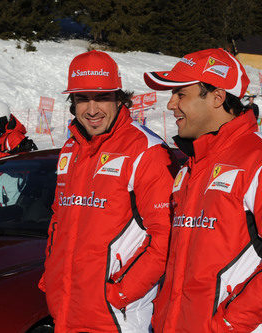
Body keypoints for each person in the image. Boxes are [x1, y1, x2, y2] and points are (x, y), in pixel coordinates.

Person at [144, 48, 262, 332]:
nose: (170, 104)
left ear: (217, 96)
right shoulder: (191, 163)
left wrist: (229, 321)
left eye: (181, 94)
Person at [39, 50, 176, 332]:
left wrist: (120, 293)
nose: (91, 109)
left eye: (101, 98)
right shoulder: (71, 148)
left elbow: (166, 236)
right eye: (82, 99)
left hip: (116, 317)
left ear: (119, 98)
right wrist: (51, 277)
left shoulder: (145, 150)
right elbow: (58, 220)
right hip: (67, 307)